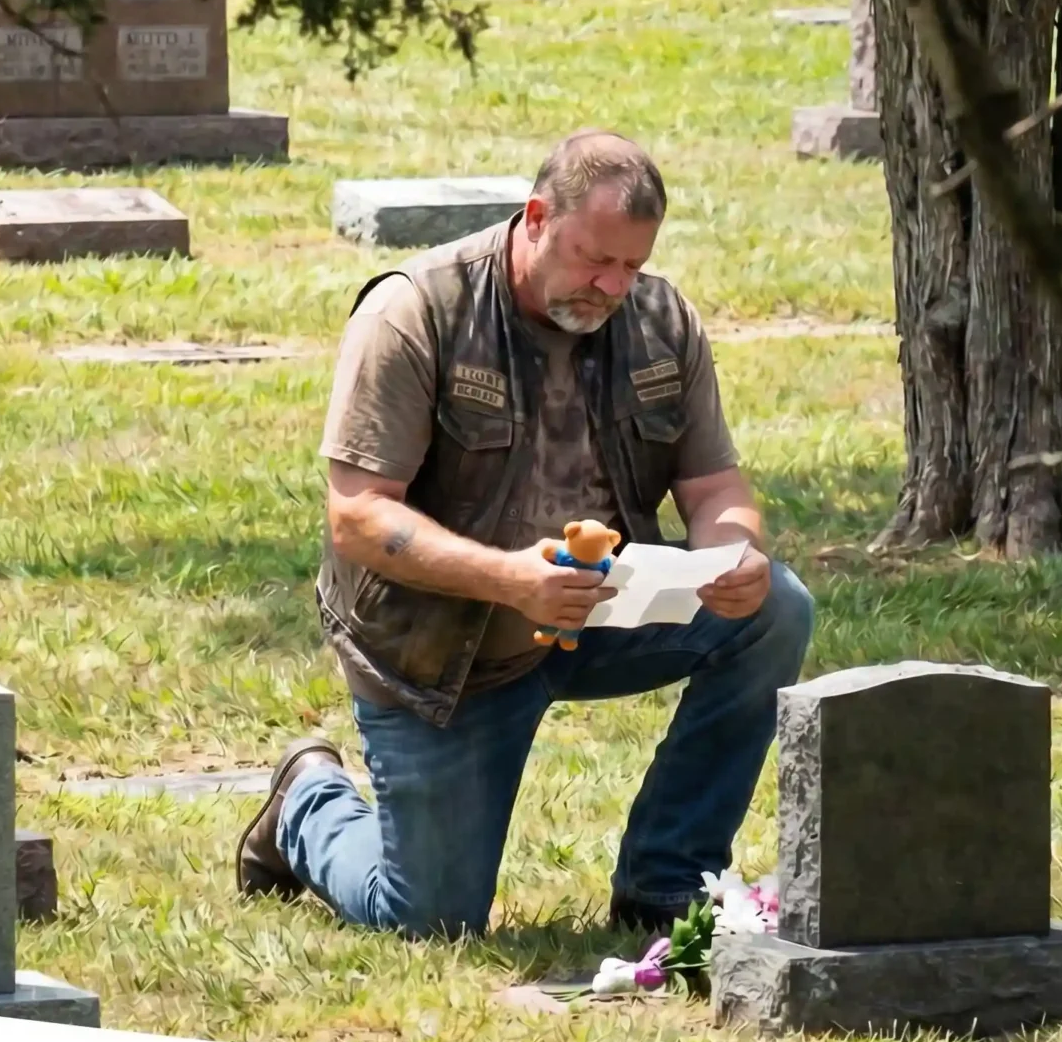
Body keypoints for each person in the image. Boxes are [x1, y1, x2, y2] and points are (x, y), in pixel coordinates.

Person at [235, 129, 815, 938]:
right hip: (442, 651)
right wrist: (509, 579)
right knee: (429, 920)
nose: (612, 285)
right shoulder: (419, 309)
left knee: (775, 608)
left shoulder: (659, 319)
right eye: (593, 259)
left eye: (632, 266)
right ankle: (306, 801)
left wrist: (734, 550)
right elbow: (359, 516)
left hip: (596, 617)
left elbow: (714, 483)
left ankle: (667, 880)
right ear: (537, 217)